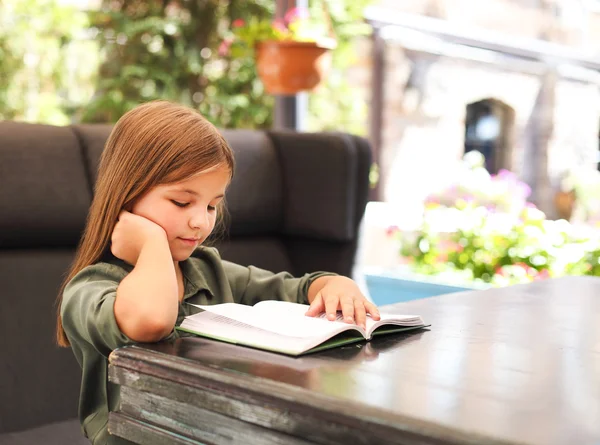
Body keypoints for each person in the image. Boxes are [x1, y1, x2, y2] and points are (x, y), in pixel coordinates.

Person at [56, 100, 380, 445]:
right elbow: (150, 320)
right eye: (181, 202)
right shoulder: (89, 289)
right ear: (126, 194)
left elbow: (299, 290)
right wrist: (150, 243)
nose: (201, 221)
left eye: (212, 205)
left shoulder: (208, 271)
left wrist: (335, 284)